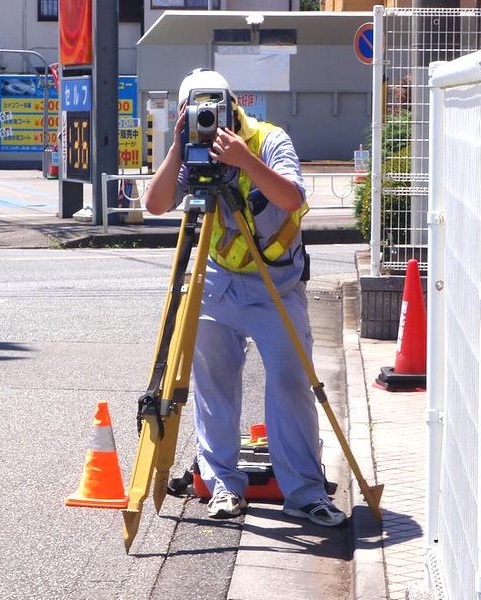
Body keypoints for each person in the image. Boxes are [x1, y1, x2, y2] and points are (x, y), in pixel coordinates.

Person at [146, 69, 345, 527]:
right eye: (196, 110)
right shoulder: (192, 151)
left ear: (234, 104)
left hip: (276, 284)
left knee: (292, 383)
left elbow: (291, 198)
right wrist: (178, 146)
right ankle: (222, 486)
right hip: (218, 283)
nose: (208, 118)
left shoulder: (270, 140)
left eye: (214, 107)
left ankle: (304, 492)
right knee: (213, 385)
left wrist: (245, 161)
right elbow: (155, 206)